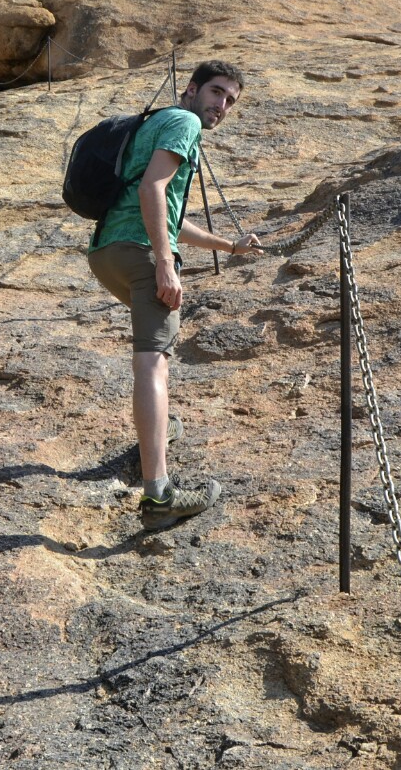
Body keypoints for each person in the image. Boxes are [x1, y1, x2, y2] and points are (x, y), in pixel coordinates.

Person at [87, 60, 262, 530]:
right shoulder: (184, 123)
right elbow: (153, 189)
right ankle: (158, 498)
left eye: (230, 100)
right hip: (141, 256)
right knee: (153, 361)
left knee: (154, 354)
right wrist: (165, 262)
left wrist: (228, 245)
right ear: (192, 88)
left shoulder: (159, 121)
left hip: (107, 251)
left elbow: (166, 212)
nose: (221, 105)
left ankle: (158, 433)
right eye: (217, 92)